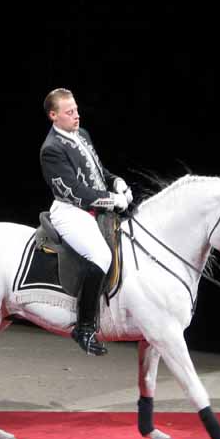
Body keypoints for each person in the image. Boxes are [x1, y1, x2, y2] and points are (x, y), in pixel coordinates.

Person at [39, 88, 133, 356]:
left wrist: (116, 181)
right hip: (70, 211)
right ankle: (84, 326)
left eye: (76, 110)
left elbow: (98, 171)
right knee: (101, 255)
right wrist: (112, 199)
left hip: (93, 206)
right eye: (69, 113)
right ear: (53, 116)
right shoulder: (51, 150)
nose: (76, 116)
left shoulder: (82, 135)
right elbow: (76, 192)